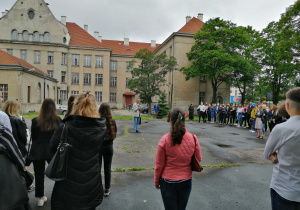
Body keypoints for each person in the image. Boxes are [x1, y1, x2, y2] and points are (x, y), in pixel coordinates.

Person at [50, 92, 107, 210]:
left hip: (67, 182)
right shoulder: (100, 128)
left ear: (75, 106)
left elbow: (51, 151)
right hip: (91, 181)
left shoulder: (65, 127)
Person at [154, 107, 202, 210]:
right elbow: (199, 158)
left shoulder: (164, 139)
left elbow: (159, 164)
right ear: (184, 120)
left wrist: (156, 181)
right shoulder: (193, 138)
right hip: (186, 179)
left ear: (170, 120)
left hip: (167, 181)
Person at [264, 87, 300, 210]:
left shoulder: (282, 129)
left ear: (288, 105)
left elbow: (267, 153)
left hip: (285, 187)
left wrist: (276, 153)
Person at [26, 98, 62, 206]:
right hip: (52, 151)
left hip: (38, 151)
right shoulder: (58, 120)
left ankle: (40, 198)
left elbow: (34, 137)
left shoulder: (35, 120)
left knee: (39, 175)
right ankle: (58, 195)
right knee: (57, 174)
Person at [99, 103, 117, 197]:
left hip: (98, 147)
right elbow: (115, 134)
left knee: (97, 168)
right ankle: (107, 189)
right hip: (109, 147)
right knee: (107, 168)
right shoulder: (112, 121)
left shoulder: (97, 121)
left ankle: (97, 188)